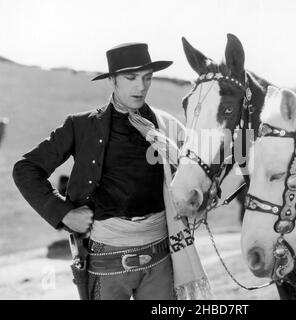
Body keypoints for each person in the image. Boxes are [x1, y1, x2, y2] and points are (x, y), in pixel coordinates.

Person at [13, 43, 210, 300]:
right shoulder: (81, 126)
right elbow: (26, 168)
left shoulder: (166, 127)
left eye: (147, 78)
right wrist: (63, 213)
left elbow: (203, 168)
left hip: (161, 258)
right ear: (113, 80)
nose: (141, 87)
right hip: (107, 263)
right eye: (131, 78)